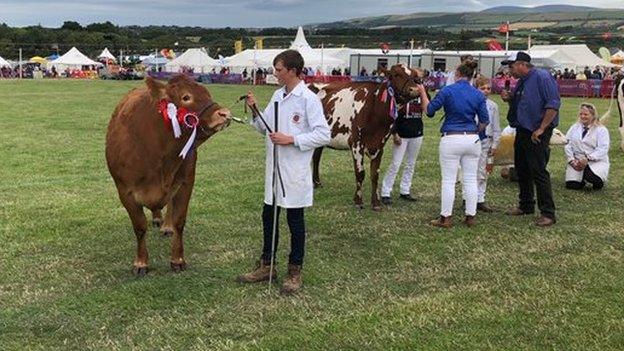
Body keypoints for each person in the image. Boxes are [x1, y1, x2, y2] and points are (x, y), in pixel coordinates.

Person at [237, 50, 331, 295]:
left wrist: (292, 139)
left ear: (292, 70)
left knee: (294, 221)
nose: (274, 74)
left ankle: (294, 270)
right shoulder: (278, 95)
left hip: (295, 170)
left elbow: (323, 134)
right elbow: (264, 127)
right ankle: (267, 264)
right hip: (274, 169)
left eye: (278, 70)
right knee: (269, 216)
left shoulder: (308, 99)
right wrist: (256, 110)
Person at [417, 59, 489, 228]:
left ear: (457, 75)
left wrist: (422, 92)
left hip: (451, 136)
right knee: (471, 179)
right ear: (472, 76)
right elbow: (485, 121)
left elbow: (429, 111)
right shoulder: (478, 94)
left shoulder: (447, 91)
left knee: (449, 180)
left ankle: (446, 217)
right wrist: (475, 132)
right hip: (472, 138)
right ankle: (471, 216)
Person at [500, 51, 560, 227]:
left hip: (537, 131)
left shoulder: (542, 77)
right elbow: (521, 104)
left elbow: (553, 104)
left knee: (538, 171)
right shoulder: (522, 82)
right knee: (522, 168)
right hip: (523, 129)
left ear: (522, 64)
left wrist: (542, 128)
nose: (509, 71)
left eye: (511, 66)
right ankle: (526, 205)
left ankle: (548, 213)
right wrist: (510, 99)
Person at [380, 90, 429, 205]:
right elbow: (392, 116)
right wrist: (395, 133)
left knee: (411, 164)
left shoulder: (422, 93)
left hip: (417, 133)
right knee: (396, 163)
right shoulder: (401, 94)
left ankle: (405, 190)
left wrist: (422, 92)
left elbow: (428, 107)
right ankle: (385, 192)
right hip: (402, 134)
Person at [471, 77, 501, 212]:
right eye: (482, 88)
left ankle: (480, 199)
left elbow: (496, 127)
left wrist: (494, 144)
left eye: (488, 88)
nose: (486, 91)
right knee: (470, 170)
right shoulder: (470, 103)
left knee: (483, 171)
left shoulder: (493, 106)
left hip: (486, 141)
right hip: (472, 139)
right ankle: (468, 197)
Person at [564, 103, 610, 190]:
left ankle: (598, 181)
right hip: (576, 161)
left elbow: (603, 149)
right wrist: (571, 160)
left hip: (595, 161)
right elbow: (567, 144)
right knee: (572, 186)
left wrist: (588, 158)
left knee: (591, 177)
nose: (582, 116)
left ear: (593, 115)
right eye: (581, 114)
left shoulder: (602, 130)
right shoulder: (574, 127)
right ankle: (578, 177)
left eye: (586, 114)